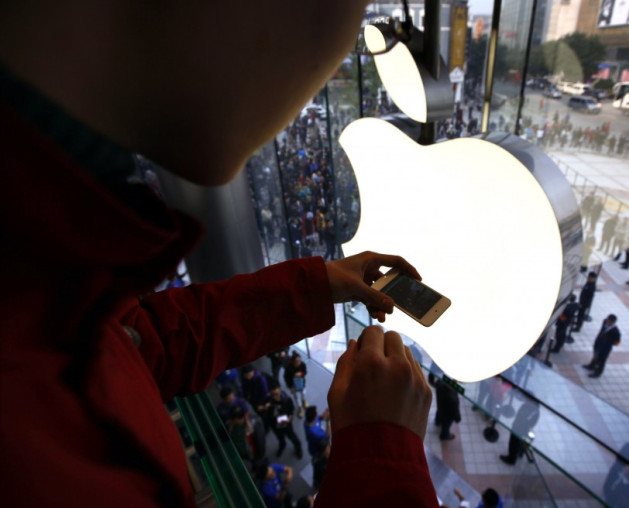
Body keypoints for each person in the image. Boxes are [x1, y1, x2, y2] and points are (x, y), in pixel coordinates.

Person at [0, 3, 438, 504]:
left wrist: (319, 284)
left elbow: (143, 341)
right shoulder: (26, 448)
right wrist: (381, 459)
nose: (342, 42)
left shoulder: (42, 277)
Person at [264, 382, 304, 459]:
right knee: (279, 437)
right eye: (273, 394)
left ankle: (298, 447)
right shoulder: (268, 400)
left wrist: (289, 418)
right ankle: (282, 444)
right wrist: (266, 408)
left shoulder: (287, 400)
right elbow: (265, 413)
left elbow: (291, 411)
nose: (275, 396)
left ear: (279, 390)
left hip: (286, 422)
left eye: (277, 393)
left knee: (292, 436)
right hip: (274, 424)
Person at [499, 397, 540, 465]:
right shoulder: (536, 412)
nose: (526, 400)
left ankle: (511, 459)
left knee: (513, 444)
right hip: (524, 430)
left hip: (518, 429)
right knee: (519, 443)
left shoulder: (527, 408)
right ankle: (519, 453)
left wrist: (515, 425)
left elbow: (520, 418)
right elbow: (532, 423)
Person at [431, 373, 462, 441]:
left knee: (439, 414)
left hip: (440, 406)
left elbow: (435, 383)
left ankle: (437, 422)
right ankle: (444, 436)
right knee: (446, 426)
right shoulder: (453, 398)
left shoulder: (440, 382)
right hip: (448, 416)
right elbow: (455, 411)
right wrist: (458, 419)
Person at [284, 350, 308, 418]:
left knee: (303, 393)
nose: (299, 362)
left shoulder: (302, 364)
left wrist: (301, 374)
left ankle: (304, 401)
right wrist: (290, 386)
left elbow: (305, 372)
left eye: (300, 360)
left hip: (302, 383)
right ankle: (300, 408)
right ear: (293, 361)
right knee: (297, 398)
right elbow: (286, 377)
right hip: (293, 386)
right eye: (297, 361)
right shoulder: (288, 368)